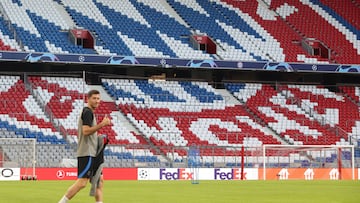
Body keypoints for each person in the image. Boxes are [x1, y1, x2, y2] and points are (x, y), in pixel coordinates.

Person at [58, 90, 111, 203]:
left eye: (98, 98)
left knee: (99, 181)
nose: (97, 101)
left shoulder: (90, 112)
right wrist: (102, 124)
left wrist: (99, 138)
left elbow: (89, 133)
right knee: (82, 183)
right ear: (88, 99)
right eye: (94, 98)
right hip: (87, 152)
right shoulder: (87, 112)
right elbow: (86, 131)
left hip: (92, 152)